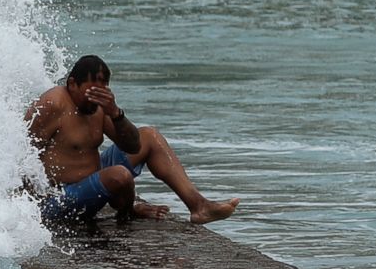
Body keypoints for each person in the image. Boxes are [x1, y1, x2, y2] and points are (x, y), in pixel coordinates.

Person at [25, 54, 241, 224]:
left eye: (104, 91)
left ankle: (199, 206)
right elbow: (22, 153)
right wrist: (27, 207)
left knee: (150, 136)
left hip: (94, 179)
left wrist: (116, 113)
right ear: (72, 84)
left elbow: (133, 145)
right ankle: (128, 211)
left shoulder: (100, 108)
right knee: (120, 175)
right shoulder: (54, 103)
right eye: (91, 91)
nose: (97, 98)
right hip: (59, 198)